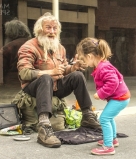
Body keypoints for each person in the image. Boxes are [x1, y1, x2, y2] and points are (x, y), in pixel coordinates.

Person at [17, 12, 101, 148]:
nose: (52, 31)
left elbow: (63, 69)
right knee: (45, 78)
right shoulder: (29, 46)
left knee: (78, 76)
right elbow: (24, 73)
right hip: (34, 88)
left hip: (55, 87)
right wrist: (50, 72)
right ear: (39, 30)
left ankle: (88, 117)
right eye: (48, 28)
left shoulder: (60, 48)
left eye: (55, 28)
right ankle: (44, 126)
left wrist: (74, 67)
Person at [76, 37, 130, 155]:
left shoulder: (103, 67)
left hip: (120, 98)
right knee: (108, 118)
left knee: (104, 118)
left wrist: (100, 93)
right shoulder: (102, 65)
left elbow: (113, 82)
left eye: (84, 59)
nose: (85, 62)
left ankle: (108, 147)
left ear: (90, 56)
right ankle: (112, 139)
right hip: (121, 97)